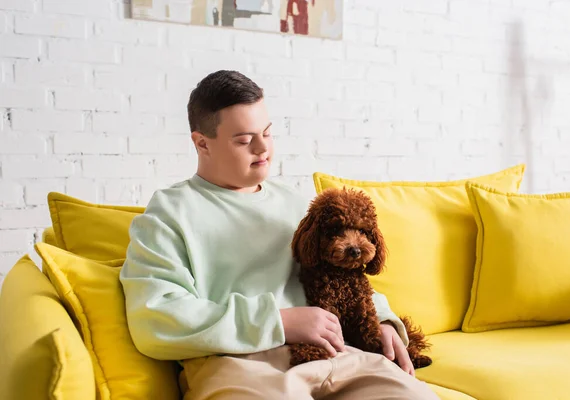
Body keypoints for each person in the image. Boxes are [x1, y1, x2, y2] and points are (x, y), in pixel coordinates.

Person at [119, 70, 439, 400]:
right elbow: (156, 318)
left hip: (339, 354)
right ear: (202, 143)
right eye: (243, 140)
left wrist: (384, 322)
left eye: (268, 134)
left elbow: (346, 279)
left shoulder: (298, 203)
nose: (262, 148)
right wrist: (278, 321)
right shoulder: (170, 213)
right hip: (242, 365)